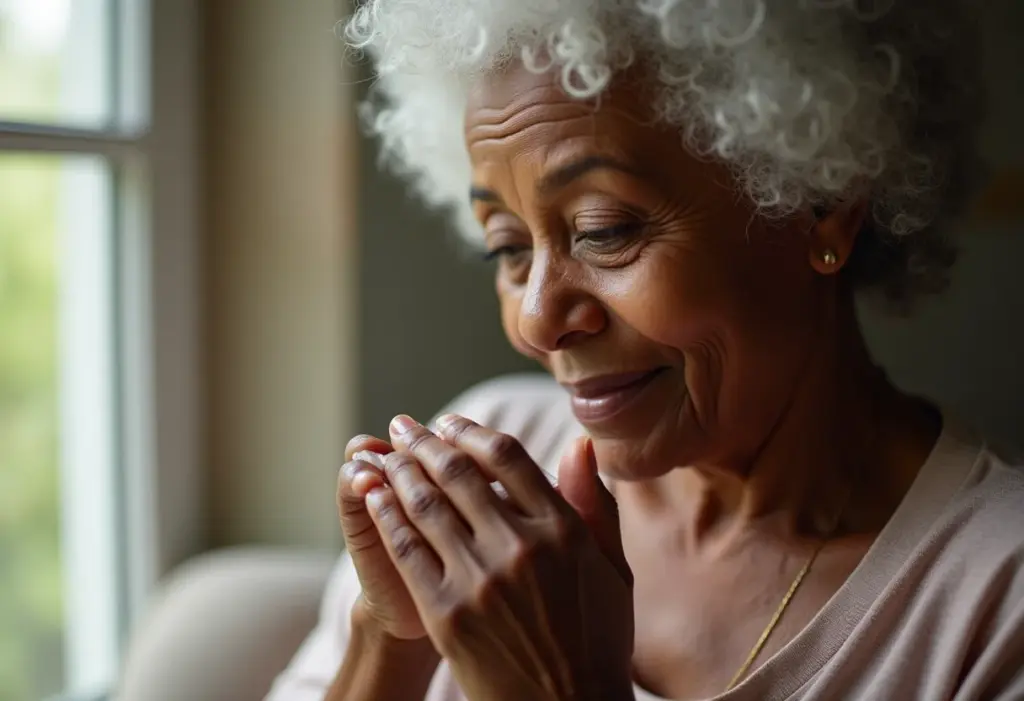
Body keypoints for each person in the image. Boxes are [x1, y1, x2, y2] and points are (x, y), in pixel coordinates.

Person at [267, 1, 1024, 699]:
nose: (537, 320)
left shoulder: (995, 600)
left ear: (822, 207)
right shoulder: (492, 458)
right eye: (507, 247)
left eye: (604, 230)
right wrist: (390, 638)